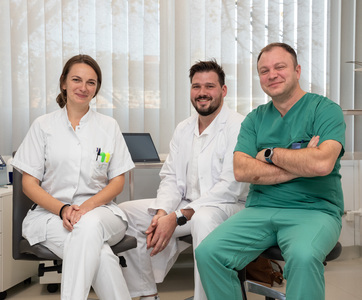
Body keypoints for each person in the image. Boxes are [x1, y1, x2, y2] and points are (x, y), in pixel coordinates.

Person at [195, 42, 346, 300]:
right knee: (209, 252)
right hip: (259, 210)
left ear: (297, 70)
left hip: (314, 210)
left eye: (279, 67)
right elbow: (242, 170)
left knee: (303, 256)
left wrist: (269, 154)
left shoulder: (325, 110)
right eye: (264, 70)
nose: (271, 74)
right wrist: (302, 162)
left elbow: (322, 164)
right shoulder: (254, 119)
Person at [118, 60, 249, 300]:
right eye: (196, 86)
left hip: (228, 207)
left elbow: (230, 187)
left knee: (204, 218)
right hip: (187, 208)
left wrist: (177, 217)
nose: (202, 93)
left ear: (223, 90)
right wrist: (161, 213)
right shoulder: (184, 128)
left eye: (209, 86)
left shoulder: (238, 126)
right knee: (125, 213)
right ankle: (147, 294)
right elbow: (171, 178)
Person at [12, 54, 134, 300]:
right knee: (100, 254)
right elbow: (28, 183)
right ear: (64, 83)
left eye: (91, 82)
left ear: (97, 88)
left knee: (88, 224)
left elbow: (118, 181)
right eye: (77, 79)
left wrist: (85, 207)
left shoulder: (108, 126)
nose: (84, 87)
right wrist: (63, 209)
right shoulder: (43, 126)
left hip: (101, 212)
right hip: (50, 216)